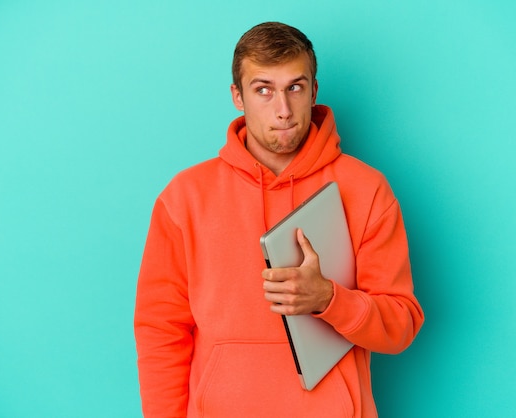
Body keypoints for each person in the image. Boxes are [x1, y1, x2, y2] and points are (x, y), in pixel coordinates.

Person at [134, 21, 424, 417]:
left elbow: (401, 325)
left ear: (313, 92)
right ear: (238, 96)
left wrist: (329, 299)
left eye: (295, 88)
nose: (283, 110)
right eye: (264, 90)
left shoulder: (366, 189)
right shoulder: (184, 198)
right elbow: (160, 331)